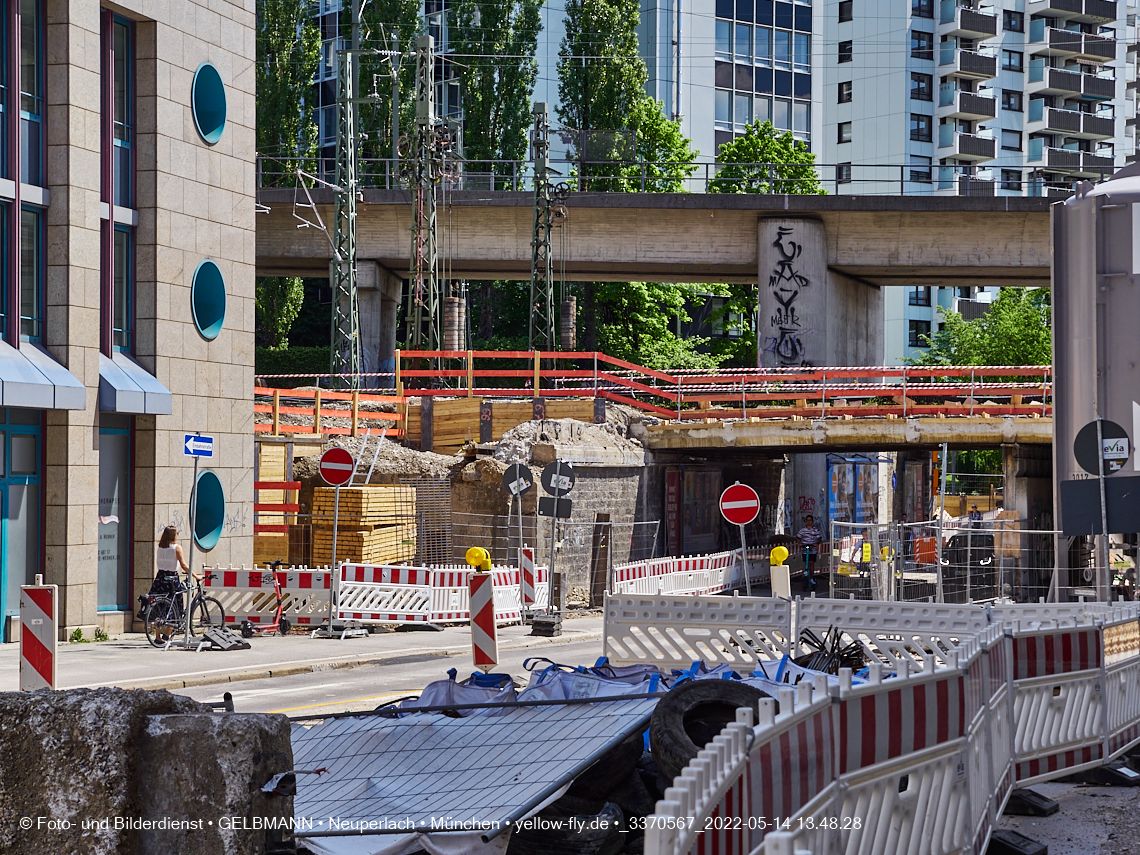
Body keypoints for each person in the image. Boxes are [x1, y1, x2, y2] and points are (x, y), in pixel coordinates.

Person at [797, 515, 823, 592]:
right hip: (805, 549)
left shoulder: (815, 530)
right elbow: (798, 537)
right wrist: (800, 544)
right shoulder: (802, 530)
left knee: (811, 563)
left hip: (813, 549)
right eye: (807, 520)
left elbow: (819, 539)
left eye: (810, 520)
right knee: (806, 563)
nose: (809, 522)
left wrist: (816, 544)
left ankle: (811, 578)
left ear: (812, 521)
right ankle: (806, 575)